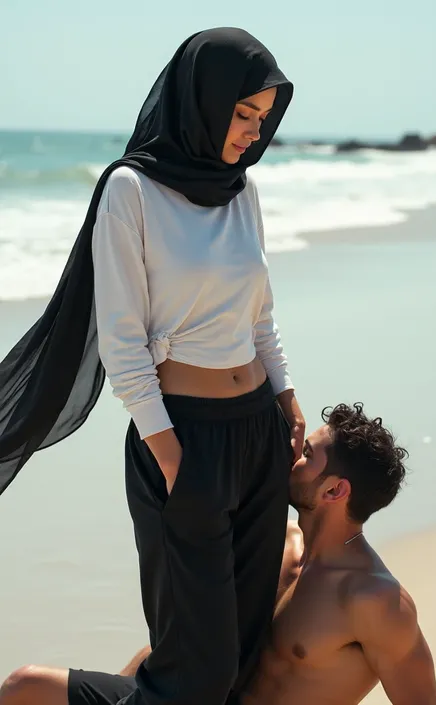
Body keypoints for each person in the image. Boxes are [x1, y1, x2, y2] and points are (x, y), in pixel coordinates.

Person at [0, 28, 304, 705]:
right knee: (200, 674)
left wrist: (288, 402)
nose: (253, 133)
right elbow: (123, 341)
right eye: (242, 114)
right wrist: (172, 460)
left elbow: (259, 315)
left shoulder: (241, 191)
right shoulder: (130, 191)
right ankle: (30, 689)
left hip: (258, 433)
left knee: (244, 652)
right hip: (183, 439)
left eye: (263, 119)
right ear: (205, 100)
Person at [0, 404, 436, 705]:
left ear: (335, 490)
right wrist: (136, 685)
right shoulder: (274, 542)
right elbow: (191, 634)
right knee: (24, 688)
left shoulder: (373, 599)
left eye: (307, 454)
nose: (291, 455)